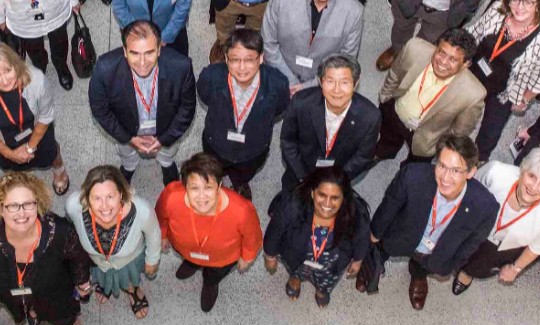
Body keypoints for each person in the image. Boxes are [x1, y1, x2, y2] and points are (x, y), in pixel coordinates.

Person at [365, 134, 498, 310]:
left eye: (456, 170)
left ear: (471, 172)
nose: (445, 177)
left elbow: (472, 243)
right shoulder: (412, 176)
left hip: (435, 253)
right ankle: (371, 268)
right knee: (381, 251)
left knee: (422, 266)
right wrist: (375, 234)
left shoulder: (485, 207)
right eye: (442, 166)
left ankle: (418, 274)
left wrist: (451, 264)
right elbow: (388, 207)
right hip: (402, 234)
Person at [0, 172, 92, 325]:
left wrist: (82, 284)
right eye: (13, 206)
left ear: (37, 204)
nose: (22, 213)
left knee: (64, 314)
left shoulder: (61, 231)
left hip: (54, 292)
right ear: (0, 208)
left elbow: (79, 259)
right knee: (23, 305)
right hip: (10, 290)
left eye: (28, 204)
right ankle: (31, 311)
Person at [89, 19, 197, 186]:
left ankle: (167, 163)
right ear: (124, 51)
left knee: (168, 151)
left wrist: (163, 140)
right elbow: (100, 110)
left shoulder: (181, 67)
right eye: (134, 53)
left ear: (160, 49)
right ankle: (128, 165)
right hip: (127, 128)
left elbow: (187, 110)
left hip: (166, 127)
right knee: (127, 152)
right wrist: (129, 138)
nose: (142, 62)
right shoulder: (105, 68)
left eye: (149, 52)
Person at [465, 0, 540, 161]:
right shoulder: (498, 10)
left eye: (527, 2)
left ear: (538, 5)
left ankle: (477, 160)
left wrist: (524, 99)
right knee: (457, 110)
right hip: (475, 70)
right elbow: (474, 33)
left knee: (490, 133)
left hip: (505, 91)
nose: (519, 7)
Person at [156, 152, 262, 312]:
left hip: (222, 259)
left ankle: (210, 282)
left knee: (214, 273)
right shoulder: (171, 196)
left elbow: (252, 237)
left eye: (208, 187)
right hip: (186, 248)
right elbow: (160, 216)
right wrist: (163, 235)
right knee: (190, 258)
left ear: (219, 186)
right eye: (194, 188)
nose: (201, 196)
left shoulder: (241, 210)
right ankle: (192, 263)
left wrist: (247, 257)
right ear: (184, 187)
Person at [196, 28, 291, 200]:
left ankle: (240, 182)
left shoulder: (278, 84)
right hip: (216, 143)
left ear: (261, 58)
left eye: (249, 60)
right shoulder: (211, 77)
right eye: (234, 60)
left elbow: (279, 108)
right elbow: (205, 95)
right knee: (214, 167)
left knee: (245, 171)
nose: (241, 68)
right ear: (226, 59)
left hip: (253, 149)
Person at [452, 150, 540, 295]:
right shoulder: (496, 172)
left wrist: (515, 268)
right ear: (522, 170)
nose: (534, 187)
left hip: (503, 247)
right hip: (474, 224)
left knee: (480, 264)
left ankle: (467, 274)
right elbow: (470, 187)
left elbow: (536, 248)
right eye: (532, 176)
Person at [0, 41, 71, 194]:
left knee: (51, 152)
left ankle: (59, 169)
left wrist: (30, 148)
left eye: (8, 71)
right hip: (4, 139)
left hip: (36, 131)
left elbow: (45, 115)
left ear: (16, 64)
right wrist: (10, 154)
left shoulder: (36, 79)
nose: (5, 80)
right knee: (13, 165)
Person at [263, 166, 370, 307]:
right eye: (322, 195)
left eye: (335, 198)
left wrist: (358, 260)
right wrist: (270, 255)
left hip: (330, 264)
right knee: (295, 270)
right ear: (313, 193)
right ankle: (295, 280)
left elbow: (362, 237)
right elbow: (275, 229)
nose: (327, 204)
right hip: (298, 254)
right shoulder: (294, 206)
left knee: (326, 280)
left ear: (343, 198)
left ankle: (322, 290)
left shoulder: (354, 214)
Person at [66, 165, 162, 318]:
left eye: (110, 196)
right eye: (96, 198)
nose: (104, 206)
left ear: (122, 194)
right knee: (102, 276)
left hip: (128, 261)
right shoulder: (73, 206)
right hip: (96, 262)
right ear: (87, 197)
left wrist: (152, 260)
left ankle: (133, 291)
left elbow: (154, 234)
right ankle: (106, 286)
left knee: (130, 280)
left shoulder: (142, 210)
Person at [376, 29, 486, 162]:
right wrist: (385, 97)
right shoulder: (414, 48)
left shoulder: (473, 95)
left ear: (465, 65)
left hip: (426, 142)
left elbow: (458, 133)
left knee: (412, 171)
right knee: (386, 139)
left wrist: (437, 147)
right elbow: (395, 74)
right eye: (441, 52)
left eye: (453, 59)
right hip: (396, 112)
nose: (443, 62)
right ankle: (385, 152)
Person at [262, 0, 363, 90]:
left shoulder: (354, 11)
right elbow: (268, 43)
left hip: (320, 85)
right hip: (279, 74)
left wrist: (308, 86)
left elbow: (345, 61)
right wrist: (290, 82)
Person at [279, 54, 378, 190]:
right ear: (320, 82)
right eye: (330, 81)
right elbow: (288, 141)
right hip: (300, 172)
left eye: (344, 82)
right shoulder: (301, 103)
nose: (336, 90)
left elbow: (362, 158)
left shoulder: (370, 117)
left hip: (338, 176)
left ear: (355, 84)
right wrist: (303, 177)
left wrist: (334, 183)